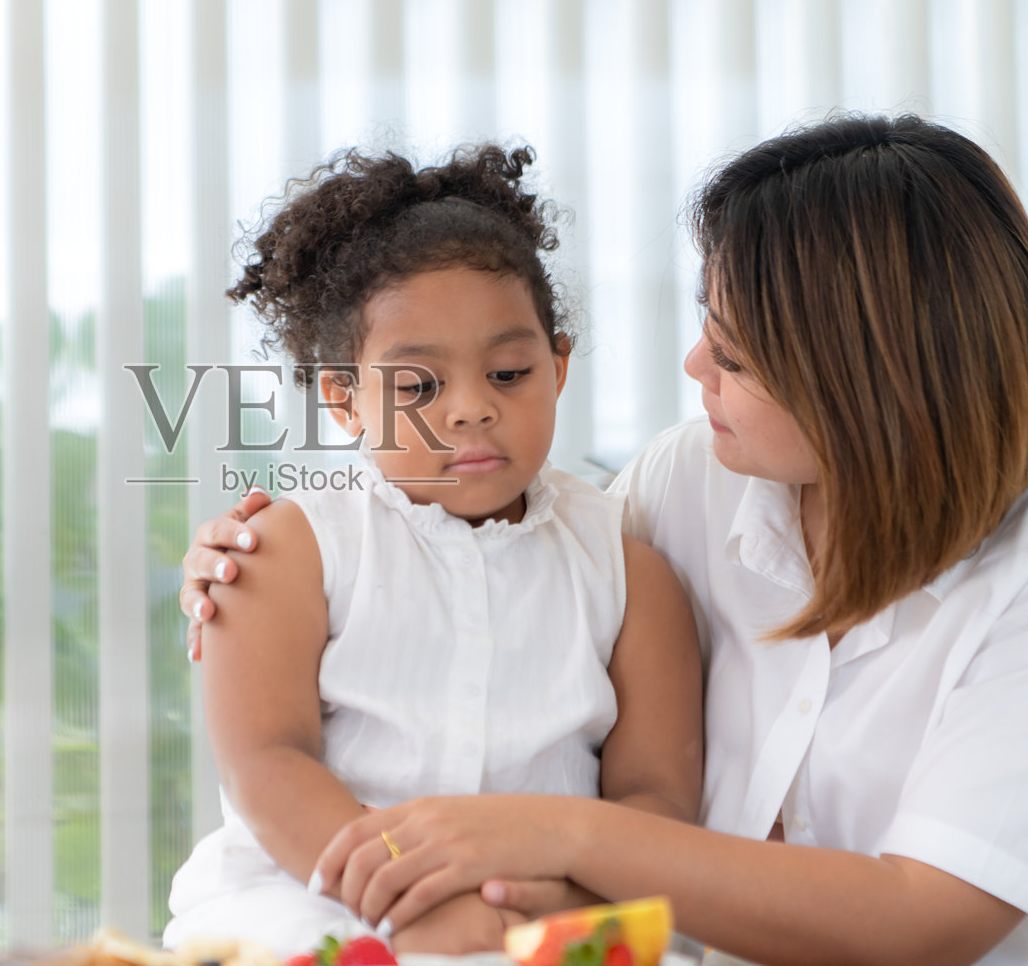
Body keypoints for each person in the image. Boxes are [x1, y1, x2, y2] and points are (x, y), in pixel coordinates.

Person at [179, 115, 1028, 966]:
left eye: (732, 354)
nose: (694, 365)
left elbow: (924, 914)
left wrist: (548, 850)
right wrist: (245, 565)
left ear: (866, 382)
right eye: (707, 325)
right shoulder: (684, 481)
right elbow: (486, 564)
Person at [163, 145, 704, 958]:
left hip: (543, 907)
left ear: (557, 367)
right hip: (312, 892)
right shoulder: (286, 549)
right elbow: (268, 761)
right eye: (419, 386)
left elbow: (654, 799)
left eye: (510, 372)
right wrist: (405, 898)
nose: (470, 409)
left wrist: (532, 903)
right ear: (344, 397)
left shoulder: (630, 571)